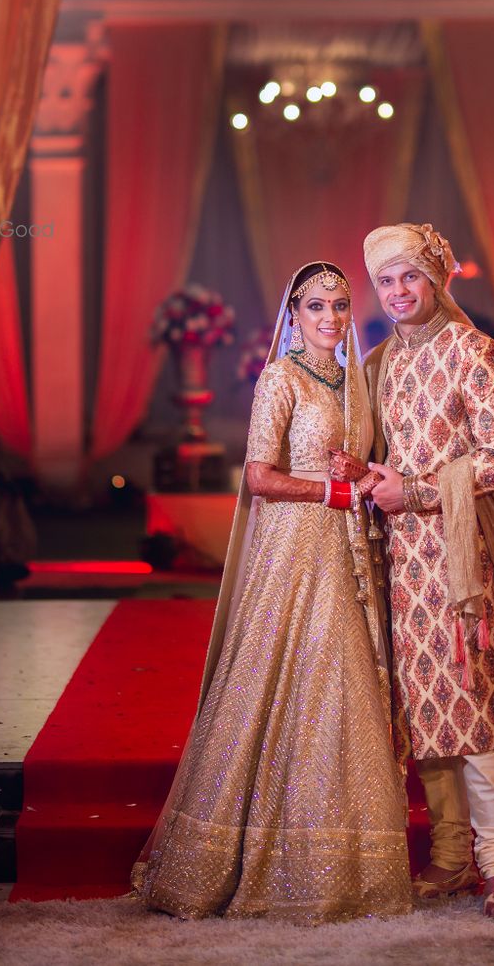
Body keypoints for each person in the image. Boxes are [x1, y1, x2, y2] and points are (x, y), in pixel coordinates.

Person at [135, 261, 411, 924]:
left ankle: (340, 860)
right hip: (293, 548)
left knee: (342, 685)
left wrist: (358, 472)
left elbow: (358, 464)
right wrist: (329, 488)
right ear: (294, 314)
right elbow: (259, 476)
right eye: (316, 306)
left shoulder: (354, 383)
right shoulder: (280, 380)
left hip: (347, 550)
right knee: (284, 679)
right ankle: (250, 855)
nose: (330, 317)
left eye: (340, 305)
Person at [363, 223, 494, 922]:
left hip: (463, 562)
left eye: (410, 277)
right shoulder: (376, 366)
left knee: (473, 705)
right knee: (422, 710)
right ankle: (451, 857)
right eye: (385, 281)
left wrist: (421, 490)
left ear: (436, 279)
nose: (398, 292)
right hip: (399, 562)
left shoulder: (475, 353)